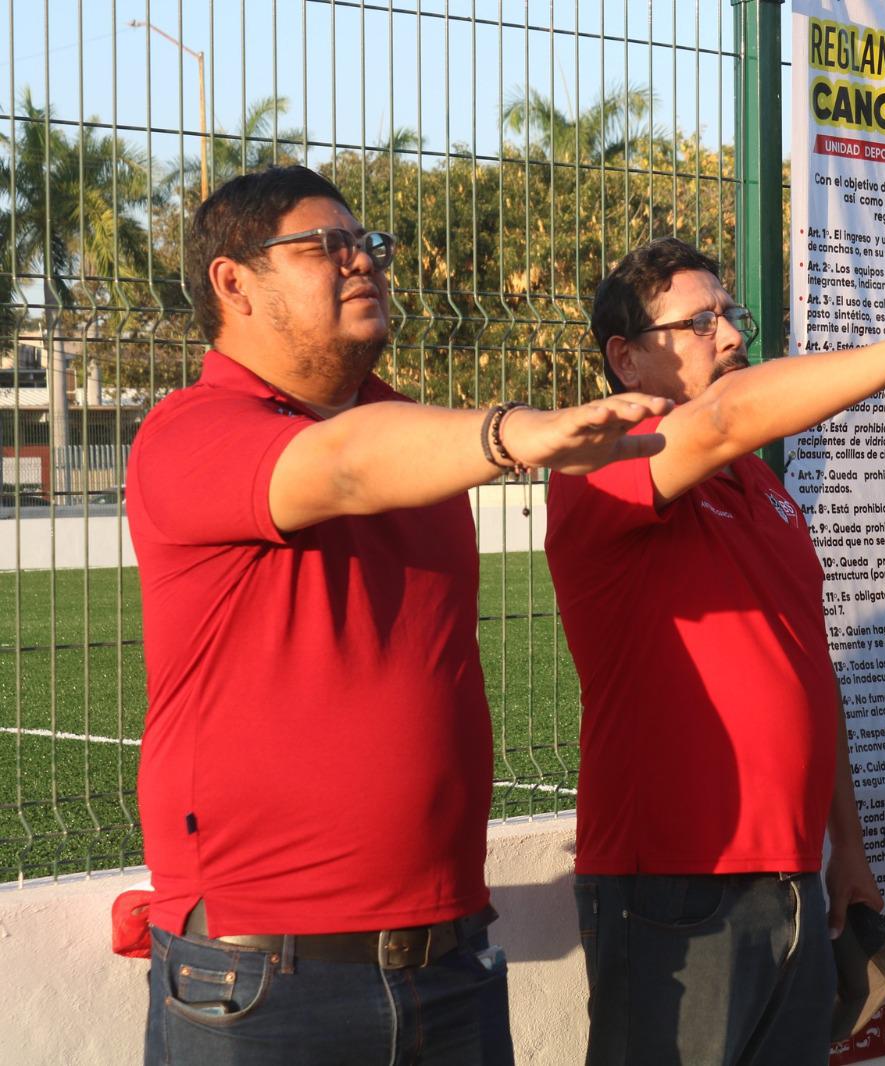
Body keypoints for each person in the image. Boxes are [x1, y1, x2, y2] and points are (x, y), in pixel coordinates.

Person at [128, 165, 671, 1066]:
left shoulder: (411, 433)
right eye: (323, 247)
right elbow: (337, 465)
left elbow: (374, 446)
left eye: (366, 243)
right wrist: (511, 433)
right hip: (259, 982)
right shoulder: (192, 431)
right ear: (233, 283)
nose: (363, 261)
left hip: (449, 962)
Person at [543, 236, 885, 1065]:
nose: (731, 336)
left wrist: (845, 849)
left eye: (732, 315)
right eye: (700, 321)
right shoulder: (596, 460)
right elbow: (723, 415)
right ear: (627, 358)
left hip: (790, 875)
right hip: (674, 881)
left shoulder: (764, 489)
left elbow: (808, 677)